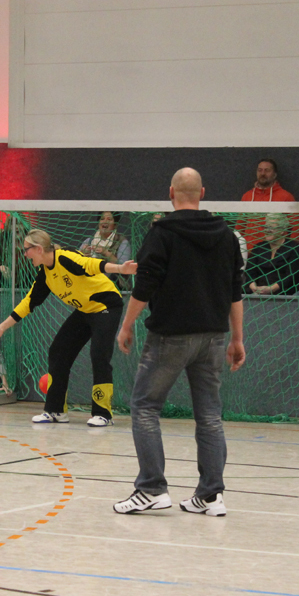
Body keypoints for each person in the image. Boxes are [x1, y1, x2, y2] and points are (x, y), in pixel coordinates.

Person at [110, 168, 245, 517]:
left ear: (171, 193)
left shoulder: (162, 233)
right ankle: (211, 495)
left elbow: (144, 286)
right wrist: (237, 338)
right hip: (214, 338)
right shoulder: (227, 235)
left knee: (145, 406)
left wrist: (126, 325)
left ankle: (151, 488)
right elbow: (235, 291)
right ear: (203, 192)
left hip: (170, 337)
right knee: (210, 415)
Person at [0, 229, 137, 427]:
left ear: (39, 249)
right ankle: (55, 410)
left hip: (106, 304)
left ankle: (103, 414)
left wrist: (120, 268)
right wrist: (2, 327)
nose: (24, 254)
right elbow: (29, 302)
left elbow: (91, 264)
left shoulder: (65, 258)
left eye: (27, 249)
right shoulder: (45, 274)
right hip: (85, 309)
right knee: (58, 351)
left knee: (99, 355)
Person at [244, 213, 299, 295]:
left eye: (271, 227)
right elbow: (249, 271)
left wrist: (271, 289)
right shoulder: (259, 248)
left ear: (282, 230)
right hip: (257, 293)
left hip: (285, 294)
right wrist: (253, 287)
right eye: (266, 227)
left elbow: (291, 276)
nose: (267, 230)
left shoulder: (294, 248)